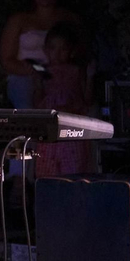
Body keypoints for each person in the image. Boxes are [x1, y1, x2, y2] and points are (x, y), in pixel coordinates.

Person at [0, 0, 81, 110]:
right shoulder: (19, 20)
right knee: (28, 104)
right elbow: (6, 60)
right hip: (26, 76)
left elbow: (80, 52)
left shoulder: (70, 19)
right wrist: (36, 72)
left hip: (61, 74)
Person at [33, 21, 96, 177]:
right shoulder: (43, 73)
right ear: (46, 50)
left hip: (71, 131)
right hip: (49, 132)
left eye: (63, 49)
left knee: (73, 176)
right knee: (47, 175)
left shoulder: (76, 71)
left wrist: (90, 77)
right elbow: (37, 102)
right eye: (53, 48)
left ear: (71, 52)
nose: (58, 53)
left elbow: (86, 100)